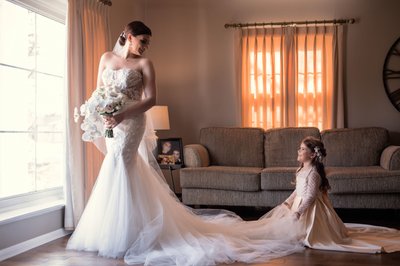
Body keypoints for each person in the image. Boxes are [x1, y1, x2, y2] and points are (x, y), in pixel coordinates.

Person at [66, 21, 303, 266]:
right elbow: (98, 92)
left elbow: (151, 100)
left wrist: (123, 115)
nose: (146, 47)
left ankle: (128, 235)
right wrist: (102, 114)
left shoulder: (145, 64)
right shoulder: (106, 58)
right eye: (143, 41)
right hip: (111, 122)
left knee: (122, 164)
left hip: (131, 122)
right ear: (128, 36)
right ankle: (112, 230)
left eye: (148, 42)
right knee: (114, 165)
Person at [260, 136, 400, 253]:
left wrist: (299, 211)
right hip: (299, 203)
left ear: (313, 154)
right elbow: (298, 190)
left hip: (311, 209)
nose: (299, 150)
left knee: (308, 234)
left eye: (302, 149)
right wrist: (288, 202)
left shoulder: (313, 174)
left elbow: (310, 196)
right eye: (300, 148)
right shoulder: (301, 170)